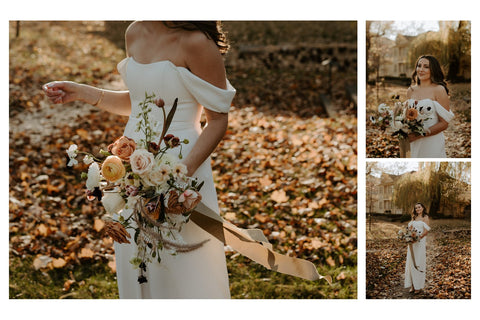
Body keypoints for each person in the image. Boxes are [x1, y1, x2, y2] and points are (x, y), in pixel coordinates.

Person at [43, 21, 235, 298]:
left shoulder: (196, 42)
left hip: (182, 163)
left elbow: (217, 120)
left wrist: (178, 176)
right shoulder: (133, 32)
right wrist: (81, 91)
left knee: (181, 265)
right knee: (136, 255)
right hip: (132, 163)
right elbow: (140, 101)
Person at [406, 55, 454, 158]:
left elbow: (444, 123)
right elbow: (407, 116)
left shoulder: (439, 89)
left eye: (426, 67)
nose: (421, 69)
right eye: (419, 66)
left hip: (432, 142)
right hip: (412, 142)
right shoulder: (411, 90)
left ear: (433, 70)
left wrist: (420, 134)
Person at [404, 202, 431, 294]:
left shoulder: (425, 217)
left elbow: (426, 231)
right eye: (416, 208)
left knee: (418, 262)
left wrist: (417, 238)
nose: (417, 209)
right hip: (412, 243)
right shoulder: (414, 217)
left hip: (419, 242)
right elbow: (410, 229)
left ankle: (418, 286)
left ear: (423, 208)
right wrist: (409, 237)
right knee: (411, 262)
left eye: (419, 207)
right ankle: (412, 285)